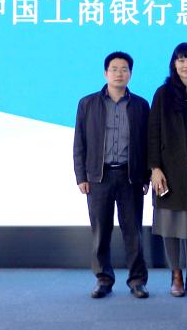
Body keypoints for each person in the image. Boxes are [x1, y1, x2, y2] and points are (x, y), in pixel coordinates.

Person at [73, 51, 150, 299]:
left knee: (133, 232)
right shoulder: (87, 104)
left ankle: (137, 281)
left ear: (130, 74)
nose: (119, 73)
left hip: (130, 176)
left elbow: (147, 143)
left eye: (124, 69)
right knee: (100, 231)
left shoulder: (140, 105)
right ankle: (103, 279)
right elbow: (79, 143)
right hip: (99, 177)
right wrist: (81, 176)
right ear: (105, 73)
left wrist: (146, 176)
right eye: (114, 69)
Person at [148, 42, 187, 297]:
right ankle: (175, 275)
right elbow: (153, 133)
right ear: (174, 64)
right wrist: (155, 168)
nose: (186, 65)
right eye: (181, 59)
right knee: (170, 223)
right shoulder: (163, 94)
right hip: (169, 170)